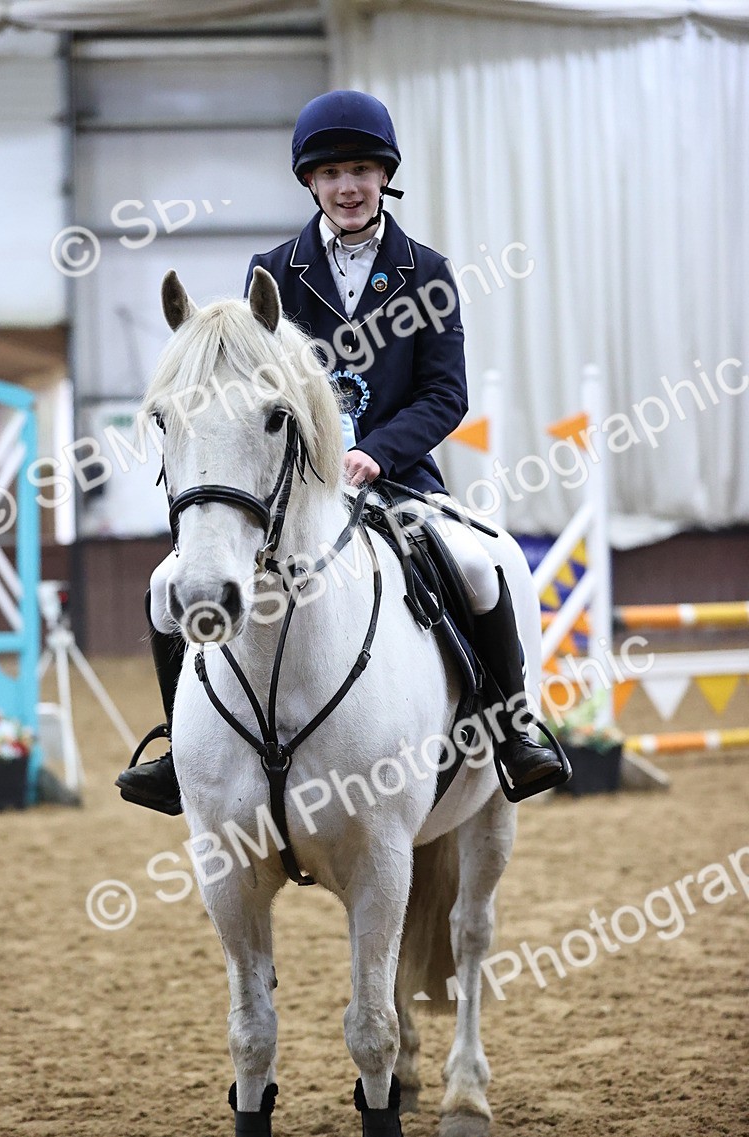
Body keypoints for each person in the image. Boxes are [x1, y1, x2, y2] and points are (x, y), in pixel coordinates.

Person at [116, 90, 563, 815]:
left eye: (360, 169)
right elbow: (246, 393)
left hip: (397, 479)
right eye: (330, 174)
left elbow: (445, 395)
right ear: (311, 183)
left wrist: (378, 453)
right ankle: (177, 750)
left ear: (383, 175)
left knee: (481, 567)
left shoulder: (427, 271)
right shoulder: (273, 271)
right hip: (294, 486)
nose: (347, 186)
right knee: (170, 587)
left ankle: (513, 731)